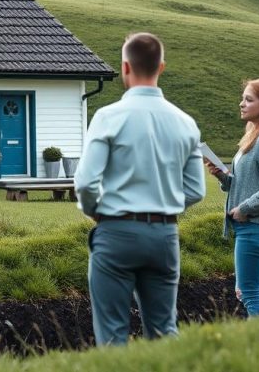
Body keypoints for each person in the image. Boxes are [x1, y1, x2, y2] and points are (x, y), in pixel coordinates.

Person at [74, 32, 206, 346]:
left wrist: (97, 212)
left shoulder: (108, 117)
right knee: (164, 332)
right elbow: (196, 189)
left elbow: (85, 182)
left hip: (116, 231)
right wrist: (164, 204)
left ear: (125, 67)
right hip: (164, 236)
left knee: (113, 335)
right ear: (161, 67)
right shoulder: (185, 122)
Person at [207, 78, 259, 317]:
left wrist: (244, 209)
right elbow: (249, 183)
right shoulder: (256, 136)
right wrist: (224, 177)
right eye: (242, 98)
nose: (241, 104)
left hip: (256, 227)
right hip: (257, 227)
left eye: (249, 99)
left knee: (248, 293)